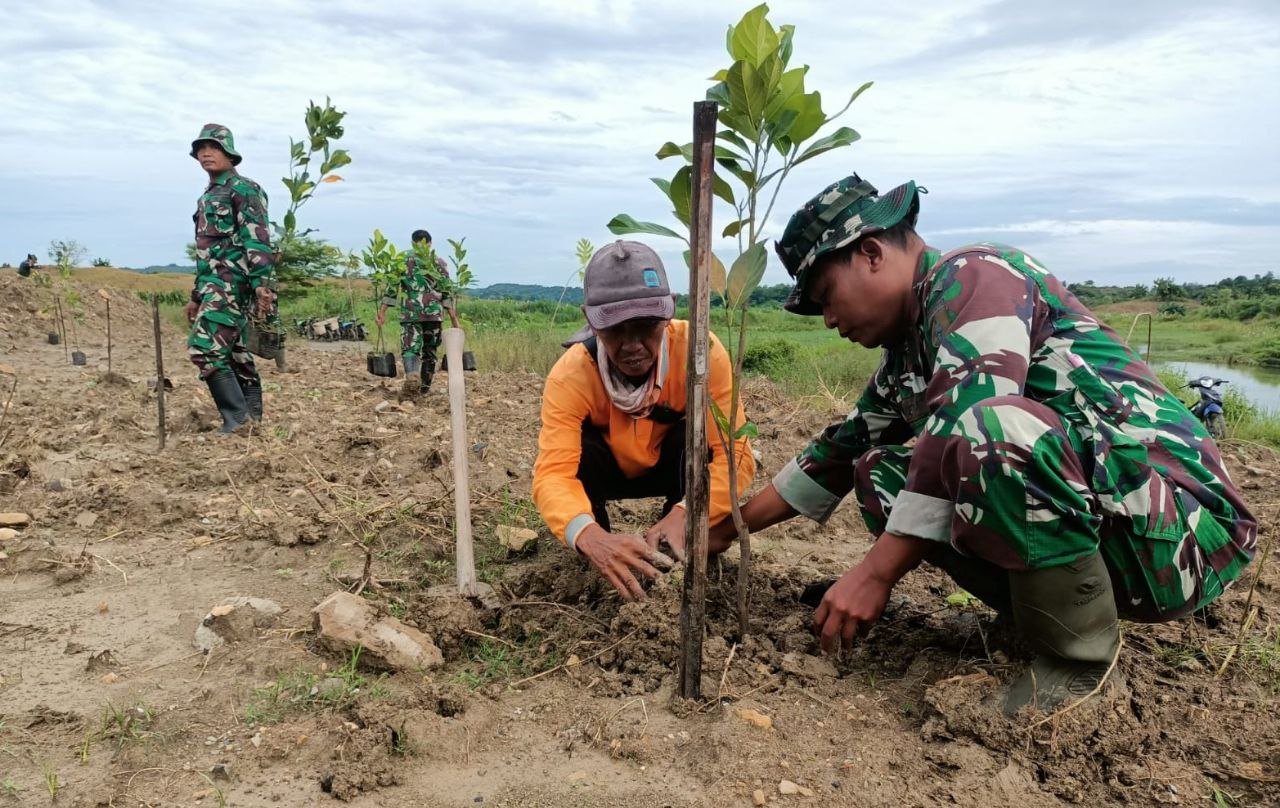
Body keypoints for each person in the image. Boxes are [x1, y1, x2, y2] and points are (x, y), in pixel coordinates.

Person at [703, 174, 1256, 714]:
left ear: (871, 253)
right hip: (1118, 519)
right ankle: (1035, 616)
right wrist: (721, 530)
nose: (827, 320)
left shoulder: (974, 275)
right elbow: (834, 457)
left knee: (990, 429)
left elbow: (975, 417)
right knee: (879, 471)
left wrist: (874, 573)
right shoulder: (907, 356)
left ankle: (1080, 664)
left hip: (1179, 533)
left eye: (826, 297)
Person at [532, 240, 756, 601]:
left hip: (673, 468)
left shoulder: (701, 355)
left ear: (668, 316)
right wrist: (588, 536)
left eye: (646, 326)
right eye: (616, 329)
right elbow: (554, 473)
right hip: (606, 471)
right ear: (591, 321)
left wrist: (688, 511)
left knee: (695, 437)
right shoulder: (571, 374)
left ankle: (677, 544)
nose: (632, 344)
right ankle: (601, 557)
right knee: (582, 453)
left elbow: (735, 457)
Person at [184, 123, 275, 432]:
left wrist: (262, 284)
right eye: (200, 149)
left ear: (230, 154)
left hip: (234, 284)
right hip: (213, 285)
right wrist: (197, 295)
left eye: (214, 147)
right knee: (235, 354)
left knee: (205, 348)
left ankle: (236, 421)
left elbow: (257, 239)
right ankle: (253, 422)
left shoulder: (244, 189)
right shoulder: (208, 196)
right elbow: (205, 252)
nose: (206, 153)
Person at [376, 229, 459, 397]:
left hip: (410, 313)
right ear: (430, 243)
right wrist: (454, 320)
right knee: (430, 351)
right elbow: (446, 293)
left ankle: (412, 377)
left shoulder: (402, 260)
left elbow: (392, 289)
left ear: (413, 242)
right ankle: (424, 389)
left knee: (410, 348)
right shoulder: (439, 263)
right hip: (433, 315)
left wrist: (382, 312)